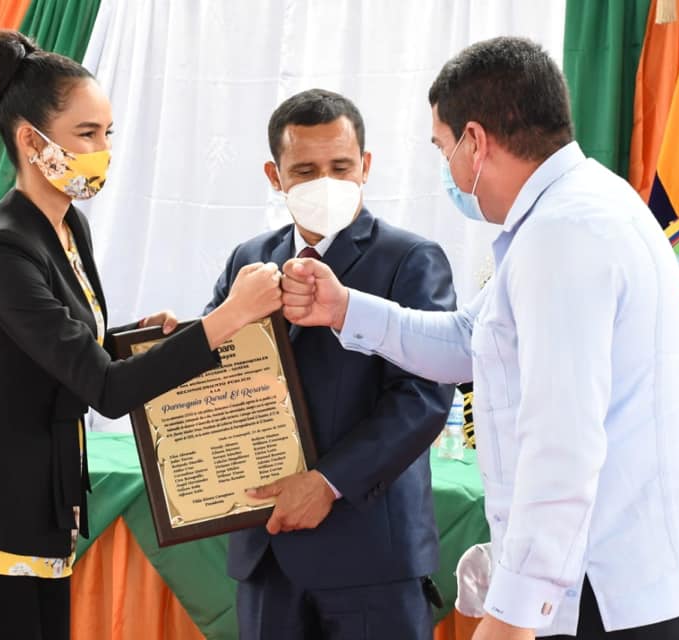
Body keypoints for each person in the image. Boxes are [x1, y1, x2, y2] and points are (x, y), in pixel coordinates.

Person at [280, 38, 679, 640]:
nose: (447, 170)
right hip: (654, 573)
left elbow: (562, 441)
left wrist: (515, 612)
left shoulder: (561, 235)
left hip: (607, 586)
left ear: (475, 141)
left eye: (442, 148)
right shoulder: (590, 201)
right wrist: (344, 309)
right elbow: (472, 338)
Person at [0, 30, 281, 640]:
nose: (103, 151)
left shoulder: (67, 224)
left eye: (107, 134)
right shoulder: (2, 250)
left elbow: (67, 350)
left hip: (39, 504)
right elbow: (107, 389)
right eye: (87, 134)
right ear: (31, 141)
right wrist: (228, 317)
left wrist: (143, 339)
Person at [204, 88, 457, 639]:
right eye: (305, 170)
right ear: (275, 176)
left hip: (371, 556)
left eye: (340, 167)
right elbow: (215, 376)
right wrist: (175, 341)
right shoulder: (249, 258)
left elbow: (423, 397)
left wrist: (327, 482)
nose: (326, 181)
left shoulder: (411, 259)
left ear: (365, 165)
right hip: (267, 551)